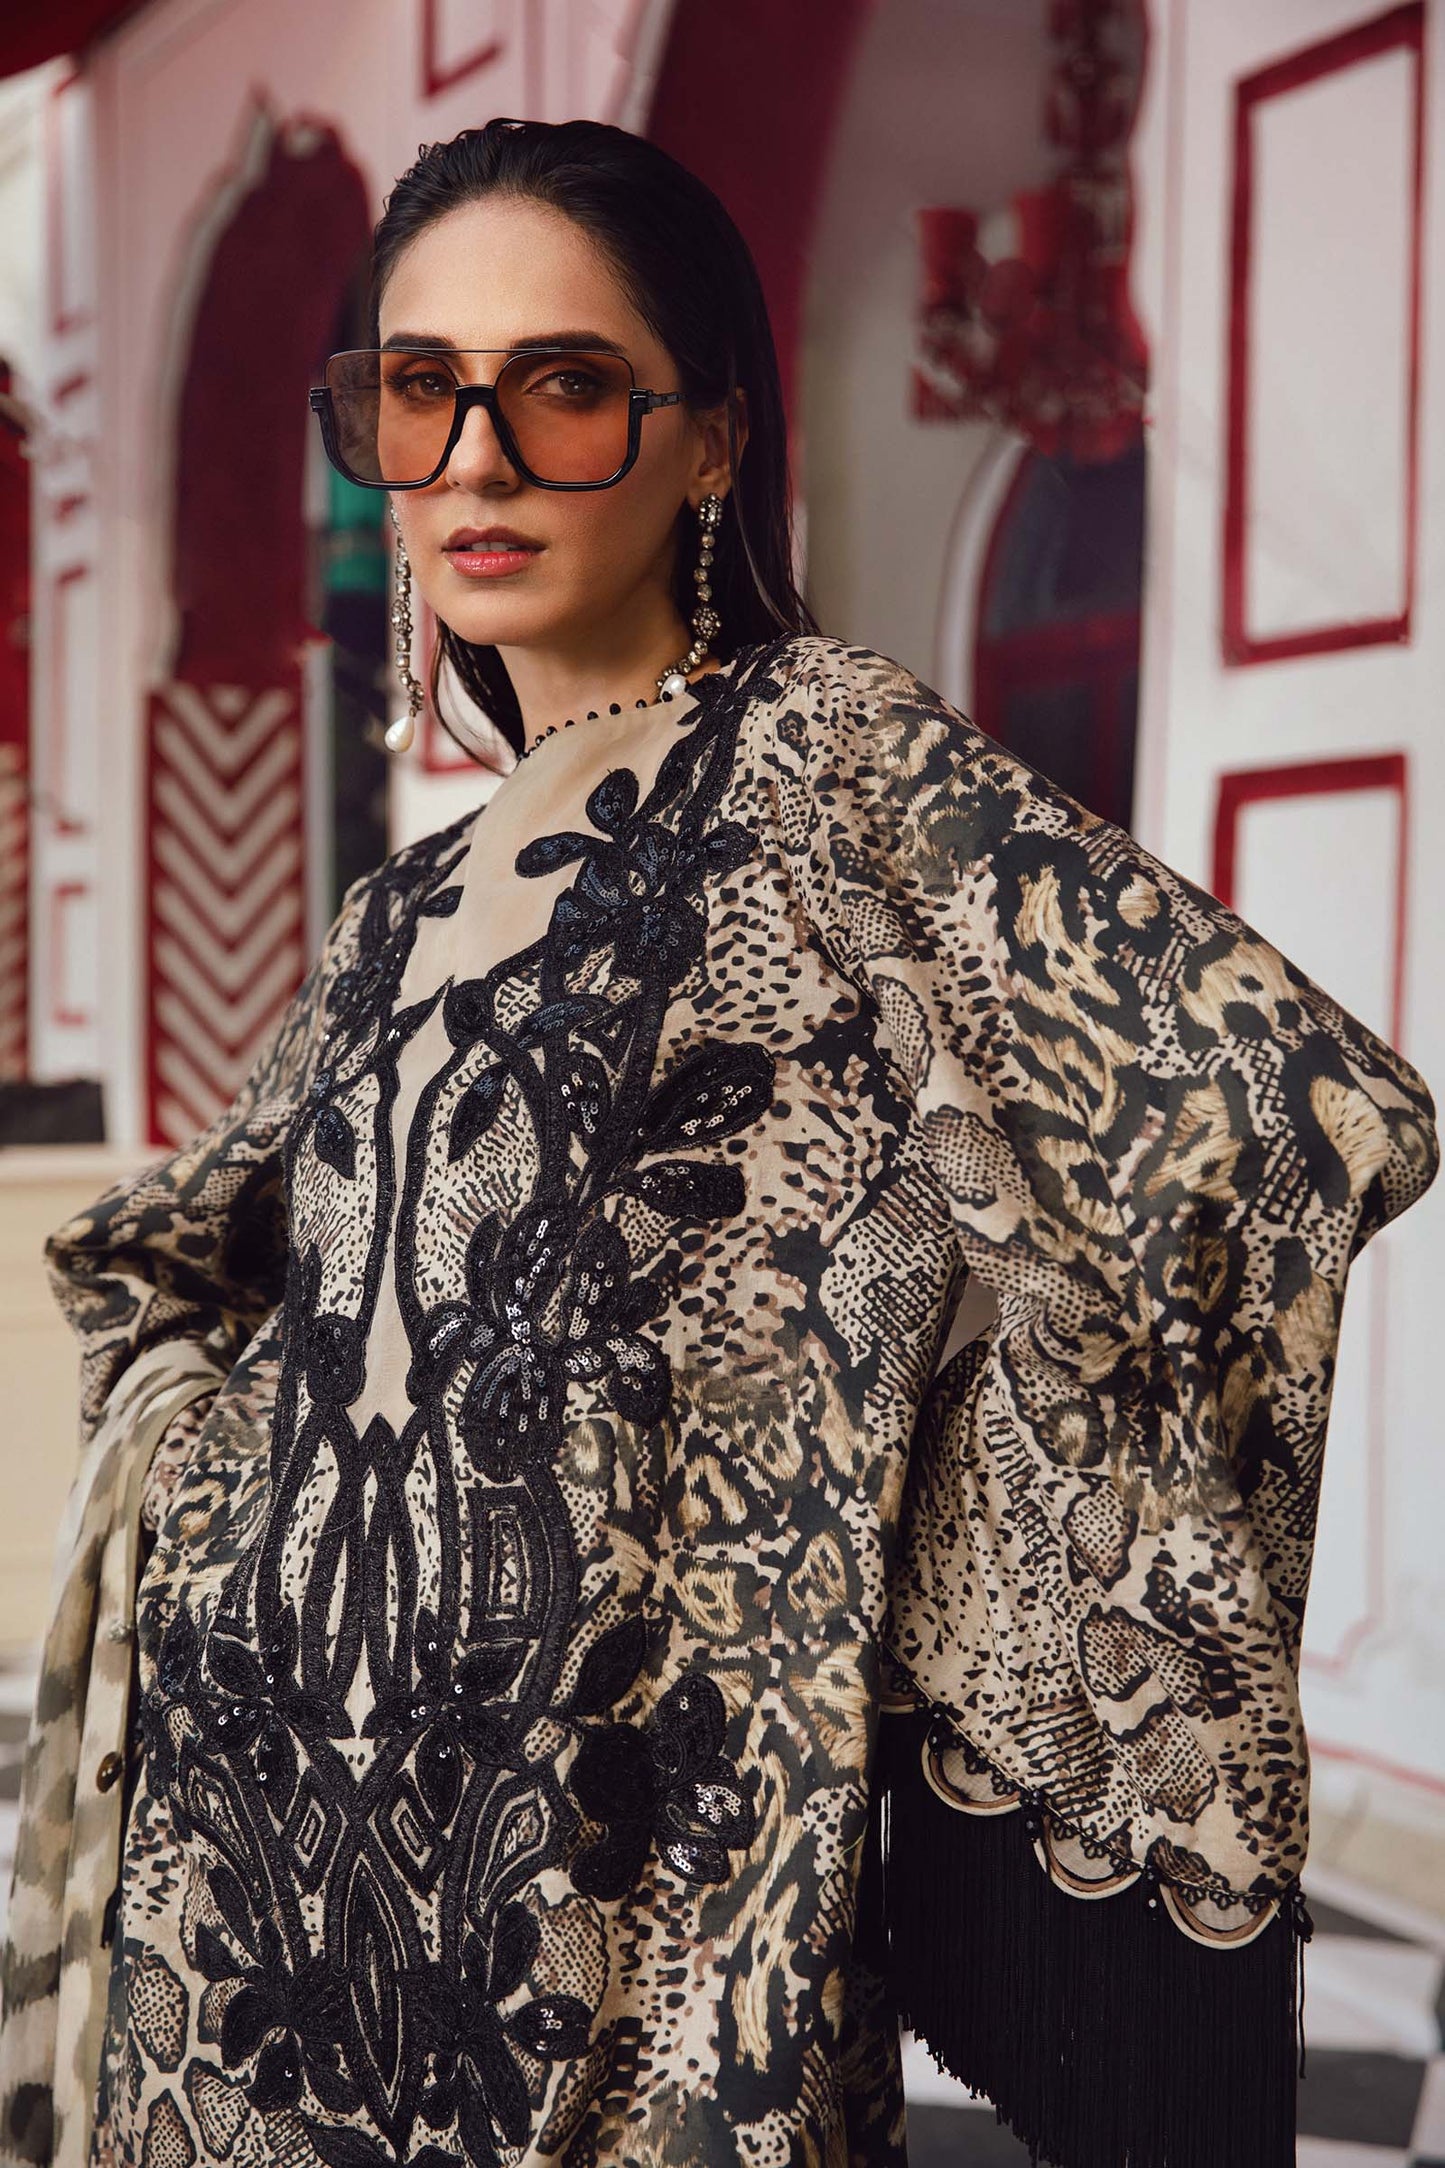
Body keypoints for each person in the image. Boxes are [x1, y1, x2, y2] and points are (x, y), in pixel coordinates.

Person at [1, 114, 1436, 2168]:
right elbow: (218, 1271)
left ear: (711, 444)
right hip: (253, 1899)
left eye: (564, 386)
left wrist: (838, 1518)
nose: (475, 459)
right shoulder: (396, 906)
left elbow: (1265, 1113)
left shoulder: (816, 759)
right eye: (418, 391)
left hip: (630, 1904)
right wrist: (223, 1486)